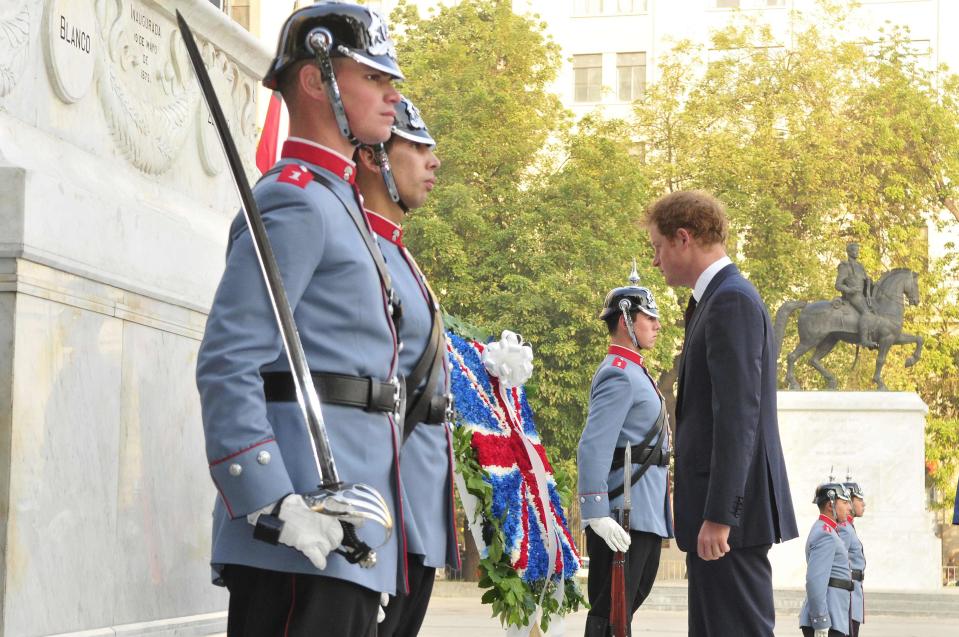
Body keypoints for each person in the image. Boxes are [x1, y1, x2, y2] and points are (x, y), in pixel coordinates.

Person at [195, 4, 406, 635]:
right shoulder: (295, 199)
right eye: (373, 77)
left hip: (343, 530)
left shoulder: (341, 204)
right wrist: (271, 501)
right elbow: (229, 359)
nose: (392, 95)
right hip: (301, 526)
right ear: (317, 82)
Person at [645, 189, 798, 637]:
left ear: (683, 238)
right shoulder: (716, 299)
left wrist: (720, 516)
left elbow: (737, 417)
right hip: (723, 518)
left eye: (657, 247)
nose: (655, 261)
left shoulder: (730, 301)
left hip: (732, 521)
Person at [354, 96, 460, 636]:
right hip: (382, 500)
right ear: (373, 157)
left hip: (415, 498)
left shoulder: (399, 254)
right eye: (416, 147)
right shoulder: (360, 251)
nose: (432, 160)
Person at [577, 266, 673, 637]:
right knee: (610, 614)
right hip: (622, 514)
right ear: (626, 320)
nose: (656, 324)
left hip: (644, 513)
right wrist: (597, 513)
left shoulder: (637, 373)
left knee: (624, 613)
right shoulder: (617, 372)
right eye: (649, 316)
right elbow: (594, 445)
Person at [800, 482, 854, 637]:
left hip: (835, 614)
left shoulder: (829, 531)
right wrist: (821, 620)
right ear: (831, 505)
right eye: (844, 502)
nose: (849, 508)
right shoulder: (825, 534)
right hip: (828, 618)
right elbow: (815, 581)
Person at [838, 477, 867, 637]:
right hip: (847, 598)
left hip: (853, 594)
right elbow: (837, 563)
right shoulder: (844, 528)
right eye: (859, 499)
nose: (863, 504)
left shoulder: (848, 527)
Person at [835, 242, 877, 349]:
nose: (857, 252)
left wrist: (869, 282)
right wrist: (849, 290)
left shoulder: (860, 266)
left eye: (858, 250)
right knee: (866, 313)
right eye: (854, 250)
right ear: (849, 252)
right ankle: (864, 340)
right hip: (853, 296)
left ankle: (872, 336)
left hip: (863, 295)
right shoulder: (845, 266)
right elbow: (838, 285)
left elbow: (865, 280)